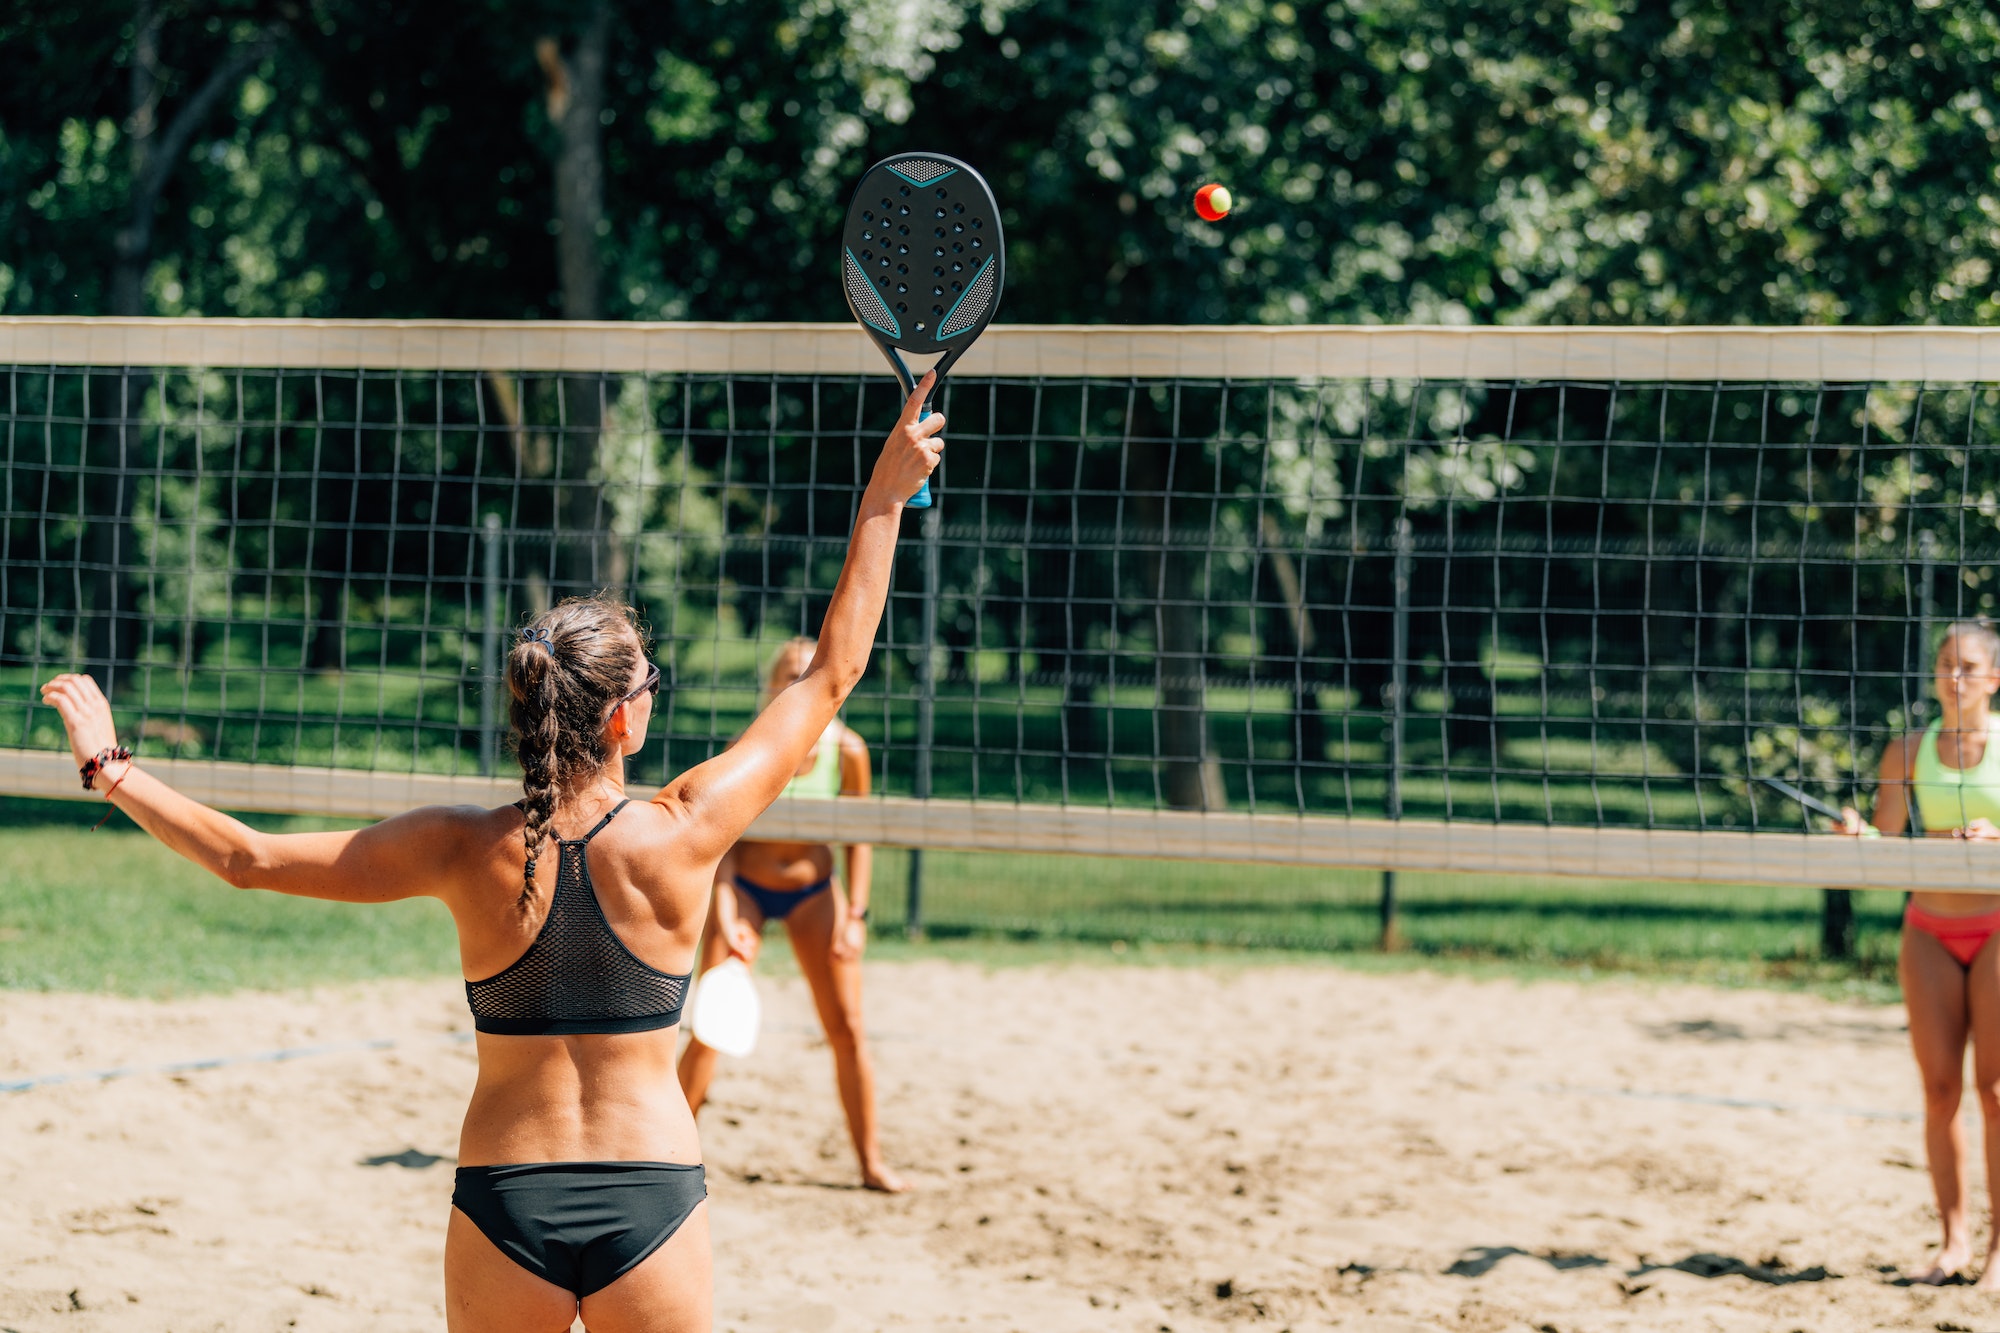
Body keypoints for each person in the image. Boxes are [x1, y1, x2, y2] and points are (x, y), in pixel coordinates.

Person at [36, 375, 945, 1332]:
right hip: (651, 1197)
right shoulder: (685, 830)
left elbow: (249, 858)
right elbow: (835, 671)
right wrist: (883, 494)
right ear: (627, 717)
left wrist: (110, 766)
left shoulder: (461, 847)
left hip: (507, 1196)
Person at [676, 637, 904, 1192]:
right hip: (746, 889)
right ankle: (668, 1157)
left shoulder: (848, 751)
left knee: (847, 1028)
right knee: (713, 1023)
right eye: (787, 676)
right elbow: (718, 845)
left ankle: (870, 1163)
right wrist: (726, 914)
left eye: (808, 676)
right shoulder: (748, 748)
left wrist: (857, 912)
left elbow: (861, 839)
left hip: (815, 892)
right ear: (771, 686)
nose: (797, 685)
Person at [1839, 620, 2000, 1288]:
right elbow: (1886, 840)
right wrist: (1856, 834)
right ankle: (1953, 1241)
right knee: (1939, 1091)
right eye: (1943, 664)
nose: (1952, 677)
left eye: (1966, 666)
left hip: (1996, 925)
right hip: (1929, 928)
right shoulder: (1907, 750)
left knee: (1995, 1092)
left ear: (1993, 677)